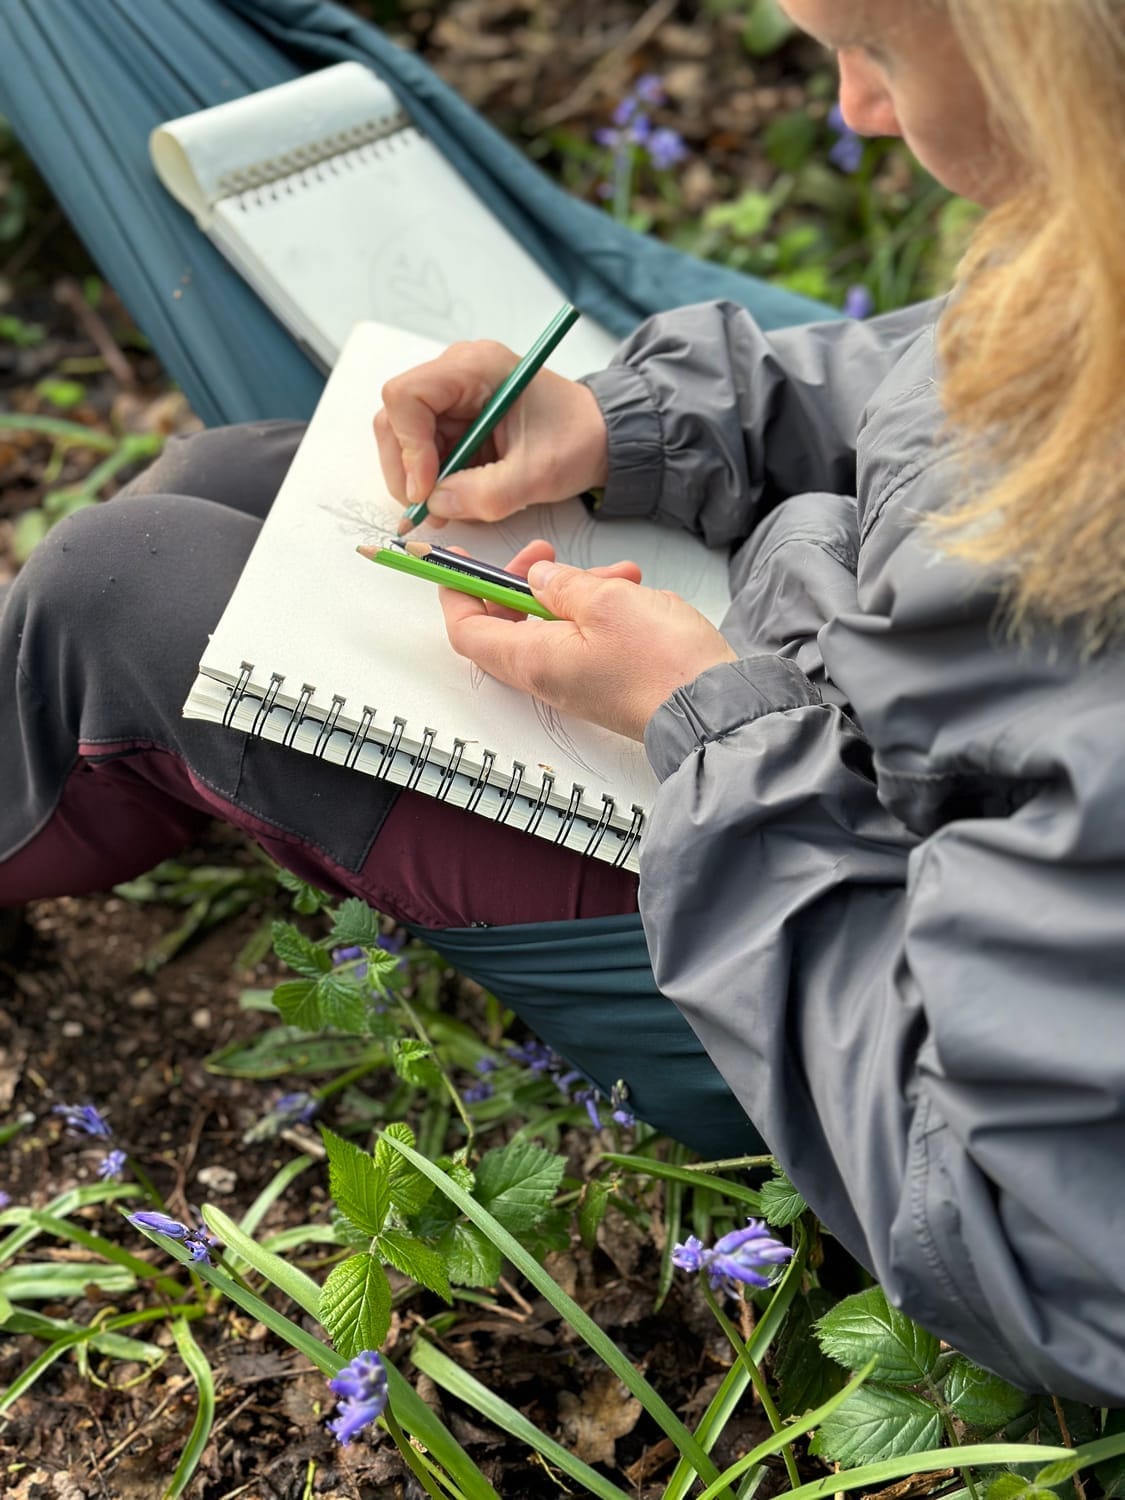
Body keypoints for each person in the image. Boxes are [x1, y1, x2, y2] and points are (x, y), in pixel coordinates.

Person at [2, 0, 1123, 1405]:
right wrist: (628, 425)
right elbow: (933, 379)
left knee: (126, 594)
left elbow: (1037, 1238)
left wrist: (713, 729)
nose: (852, 112)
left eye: (881, 53)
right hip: (799, 720)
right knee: (232, 478)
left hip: (817, 983)